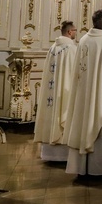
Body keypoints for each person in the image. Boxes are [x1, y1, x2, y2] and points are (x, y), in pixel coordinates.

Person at [64, 10, 102, 177]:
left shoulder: (83, 40)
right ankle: (101, 169)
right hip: (101, 95)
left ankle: (82, 169)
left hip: (84, 94)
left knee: (84, 125)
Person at [33, 20, 77, 161]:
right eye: (75, 30)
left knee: (52, 113)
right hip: (64, 92)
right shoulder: (70, 49)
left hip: (51, 94)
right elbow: (73, 74)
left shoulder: (53, 48)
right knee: (62, 112)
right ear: (70, 32)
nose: (76, 32)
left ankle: (48, 154)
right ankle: (63, 155)